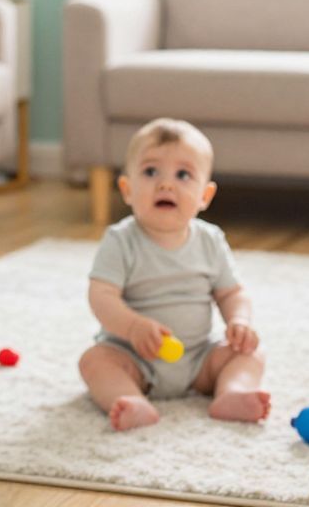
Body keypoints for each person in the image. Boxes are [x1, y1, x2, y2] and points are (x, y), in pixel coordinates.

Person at [78, 118, 270, 431]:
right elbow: (101, 296)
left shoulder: (210, 240)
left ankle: (232, 392)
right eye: (151, 172)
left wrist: (240, 321)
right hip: (133, 357)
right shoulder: (120, 240)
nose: (166, 184)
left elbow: (231, 292)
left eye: (183, 175)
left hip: (199, 358)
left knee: (250, 352)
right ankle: (129, 399)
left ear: (205, 196)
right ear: (126, 189)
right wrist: (133, 326)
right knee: (94, 361)